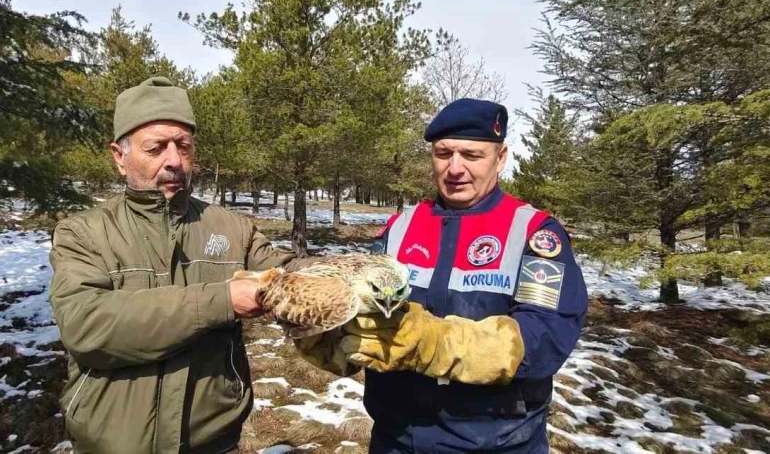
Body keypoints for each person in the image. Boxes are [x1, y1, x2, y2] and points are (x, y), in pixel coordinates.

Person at [297, 98, 588, 453]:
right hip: (396, 438)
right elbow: (367, 318)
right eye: (443, 153)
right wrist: (331, 341)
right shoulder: (400, 229)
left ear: (501, 158)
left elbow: (545, 339)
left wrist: (436, 344)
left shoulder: (533, 233)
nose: (455, 168)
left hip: (496, 442)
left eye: (472, 155)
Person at [49, 77, 306, 454]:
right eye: (155, 147)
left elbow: (288, 273)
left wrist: (353, 275)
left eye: (183, 146)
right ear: (119, 157)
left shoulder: (232, 229)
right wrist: (220, 301)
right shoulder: (84, 233)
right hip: (110, 444)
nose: (174, 160)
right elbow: (87, 325)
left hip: (214, 441)